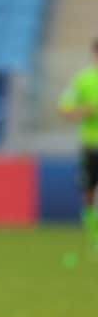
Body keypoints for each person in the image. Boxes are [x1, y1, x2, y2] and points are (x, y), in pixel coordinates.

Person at [59, 38, 98, 238]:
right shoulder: (82, 80)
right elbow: (64, 109)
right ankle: (93, 234)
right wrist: (86, 110)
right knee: (89, 190)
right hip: (91, 145)